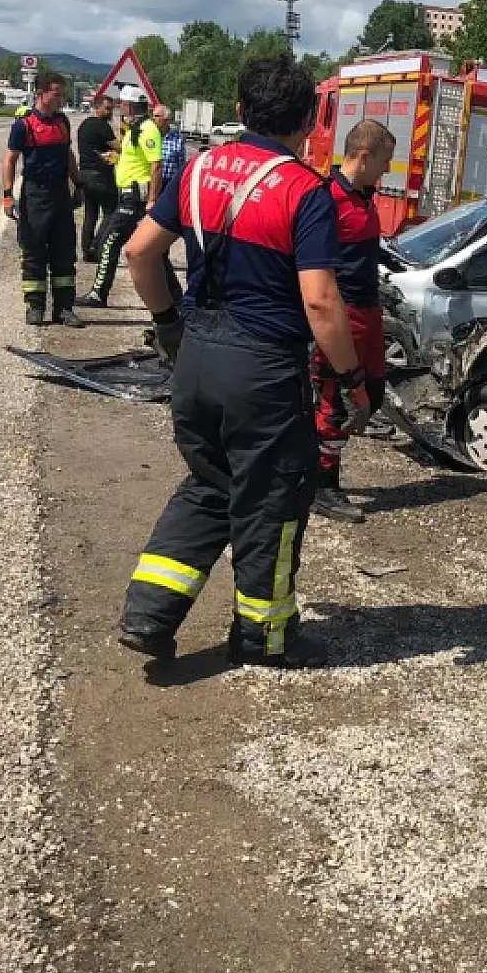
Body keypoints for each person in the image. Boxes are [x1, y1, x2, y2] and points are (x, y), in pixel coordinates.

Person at [117, 56, 368, 666]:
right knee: (274, 499)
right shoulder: (307, 192)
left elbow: (139, 253)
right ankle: (265, 639)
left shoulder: (200, 168)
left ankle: (148, 615)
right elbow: (319, 299)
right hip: (262, 370)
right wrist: (354, 380)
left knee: (210, 482)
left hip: (197, 357)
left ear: (238, 112)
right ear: (310, 120)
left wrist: (169, 324)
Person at [312, 119, 396, 523]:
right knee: (339, 402)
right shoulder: (327, 199)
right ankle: (322, 486)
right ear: (364, 156)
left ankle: (314, 460)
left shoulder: (363, 195)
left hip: (370, 313)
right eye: (385, 161)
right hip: (343, 316)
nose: (387, 169)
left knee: (372, 396)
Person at [1, 71, 85, 327]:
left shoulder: (62, 122)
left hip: (60, 193)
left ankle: (64, 309)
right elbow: (10, 160)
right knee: (34, 251)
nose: (61, 98)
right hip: (35, 194)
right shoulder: (23, 126)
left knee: (64, 252)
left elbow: (68, 154)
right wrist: (7, 196)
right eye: (57, 93)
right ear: (42, 93)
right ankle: (35, 307)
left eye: (62, 94)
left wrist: (78, 183)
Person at [79, 86, 164, 308]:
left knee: (110, 242)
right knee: (150, 252)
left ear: (129, 105)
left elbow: (156, 165)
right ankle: (173, 300)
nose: (119, 108)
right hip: (127, 194)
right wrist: (117, 159)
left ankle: (98, 294)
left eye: (121, 104)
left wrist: (152, 200)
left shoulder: (146, 130)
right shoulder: (135, 129)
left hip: (135, 196)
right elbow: (135, 159)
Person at [77, 94, 120, 263]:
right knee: (111, 213)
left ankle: (86, 250)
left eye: (111, 108)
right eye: (107, 108)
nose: (110, 112)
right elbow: (119, 147)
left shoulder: (84, 125)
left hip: (85, 174)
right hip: (100, 176)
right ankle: (96, 246)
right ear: (97, 107)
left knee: (90, 214)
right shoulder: (102, 126)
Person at [154, 104, 187, 194]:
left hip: (168, 184)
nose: (153, 119)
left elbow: (181, 165)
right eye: (153, 116)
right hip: (152, 181)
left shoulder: (177, 139)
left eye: (157, 116)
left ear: (166, 120)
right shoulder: (149, 135)